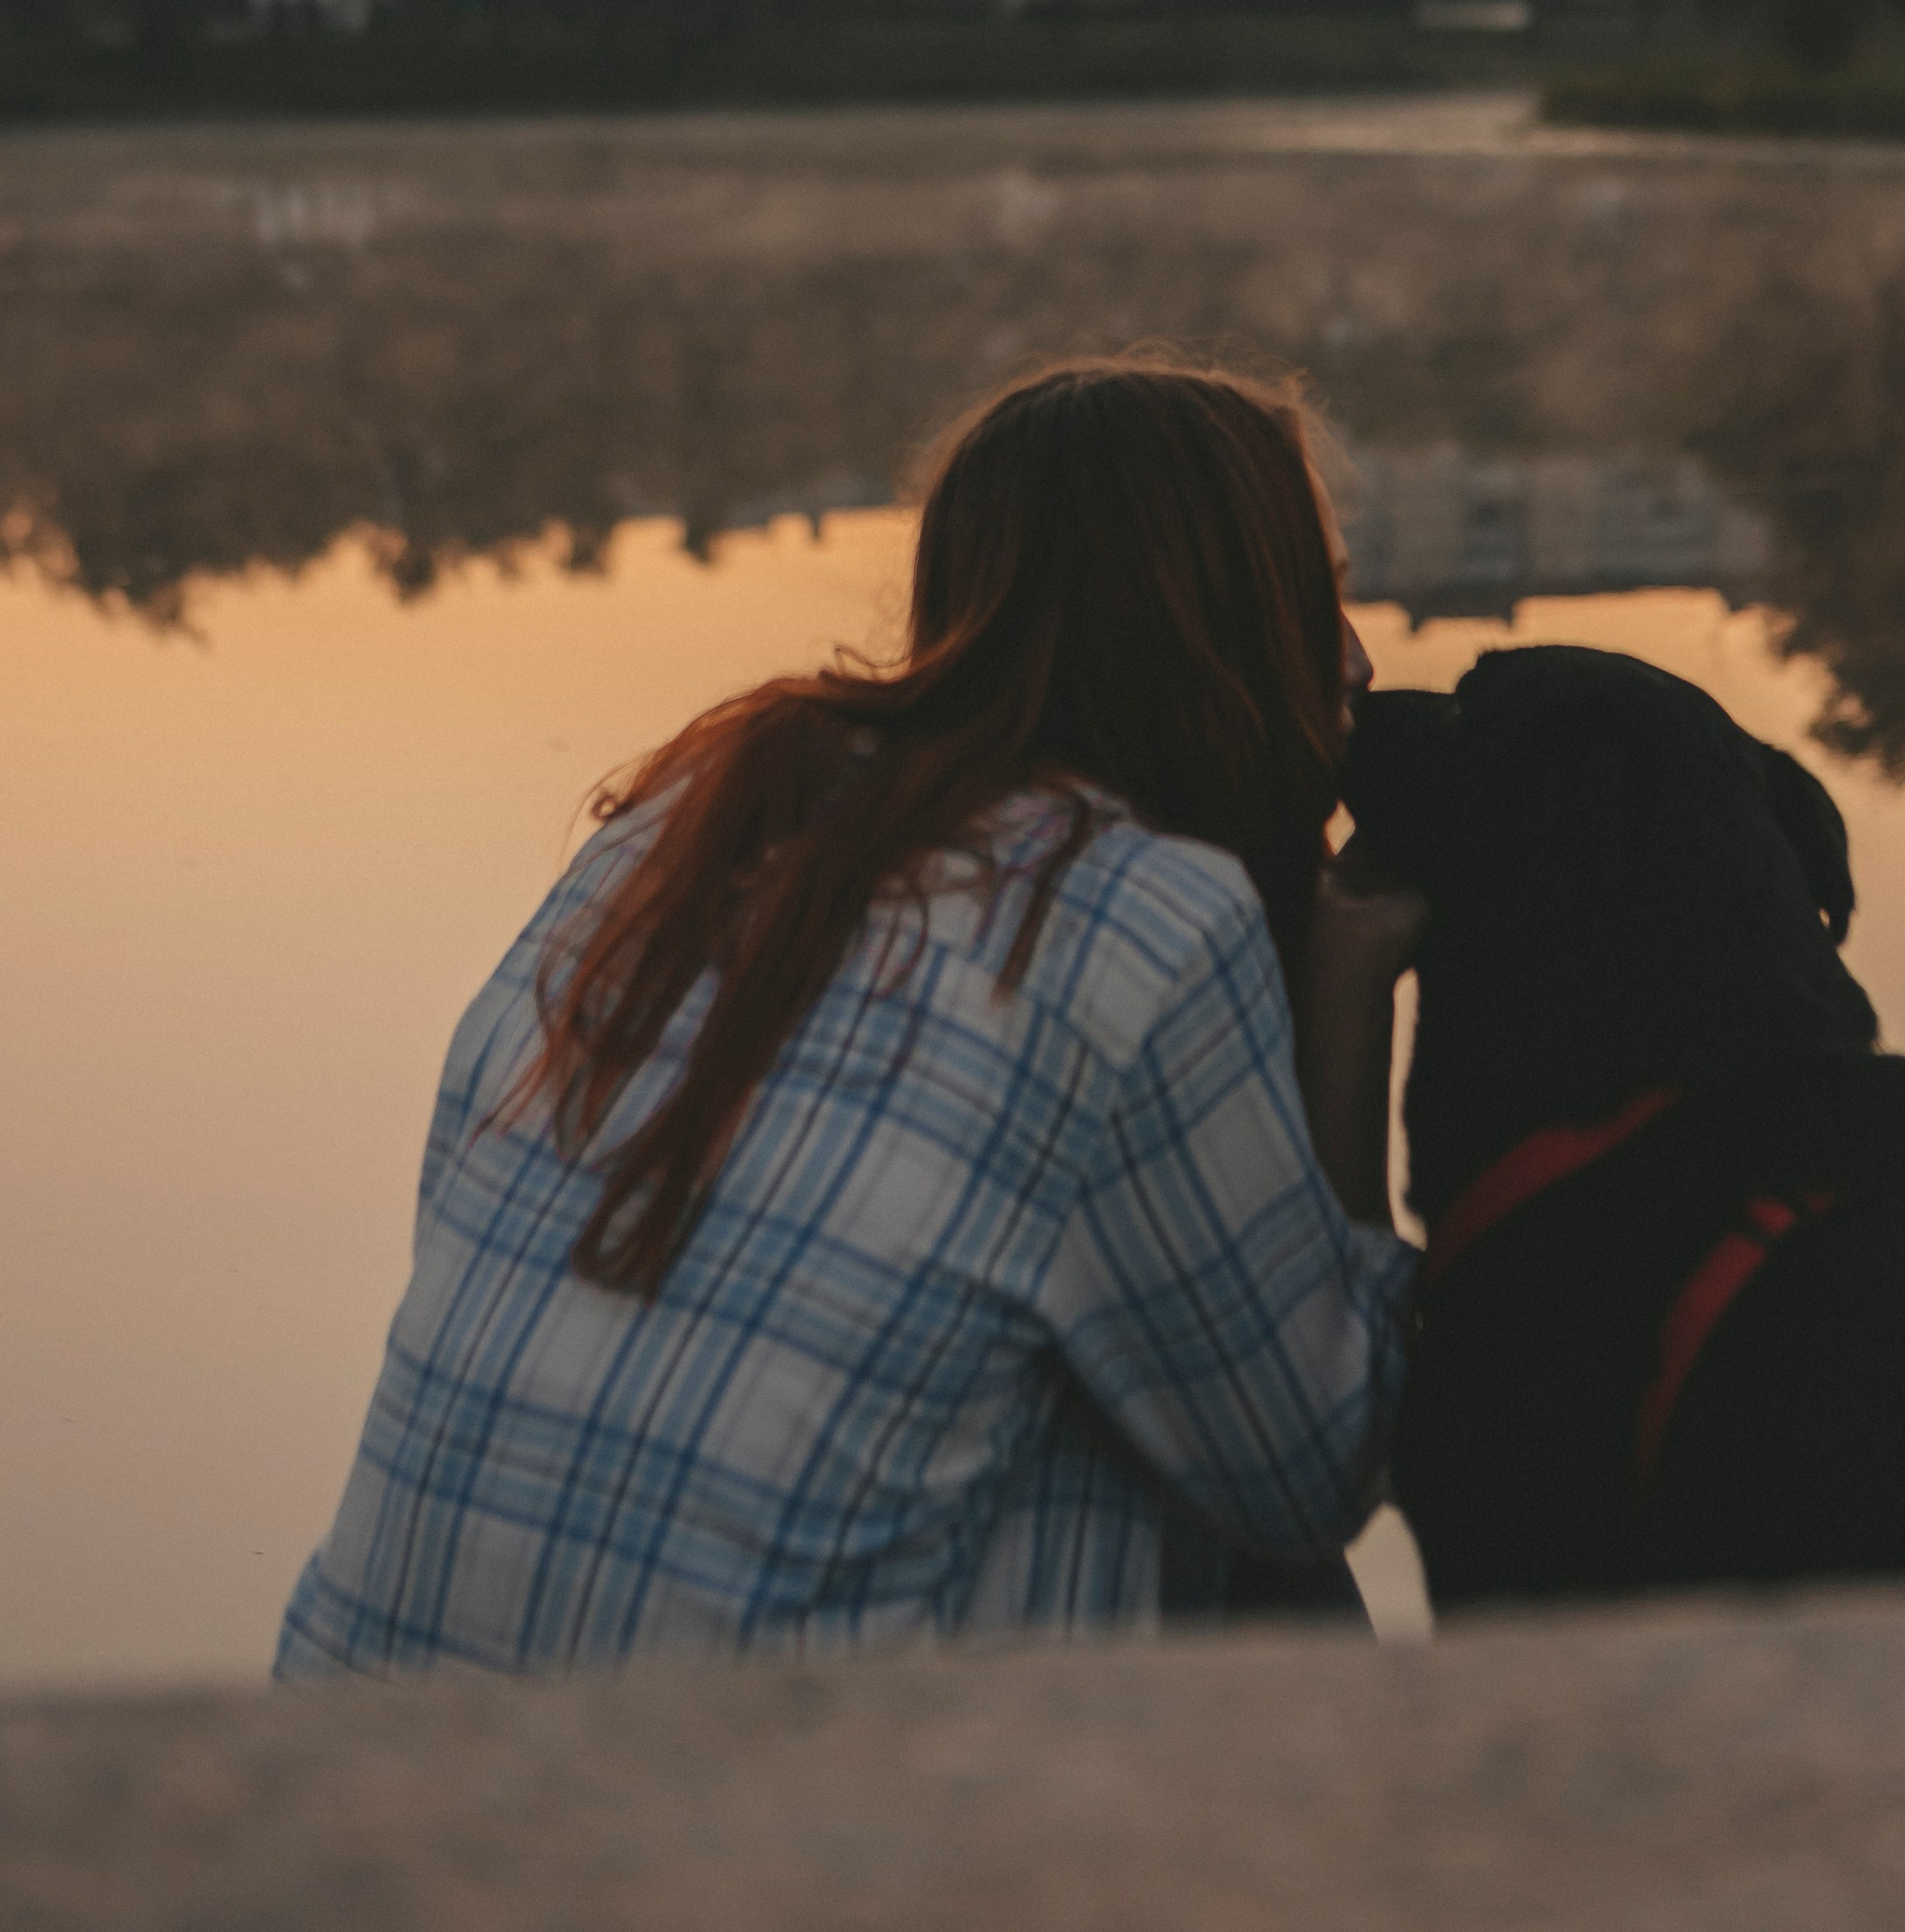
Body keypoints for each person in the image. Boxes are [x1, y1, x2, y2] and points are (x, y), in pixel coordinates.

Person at [278, 356, 1421, 1673]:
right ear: (1232, 626)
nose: (1355, 656)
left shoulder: (687, 825)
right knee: (1229, 1486)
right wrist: (1344, 998)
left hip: (352, 1736)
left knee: (1094, 1328)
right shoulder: (1140, 922)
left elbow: (456, 1202)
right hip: (760, 1827)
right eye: (1316, 595)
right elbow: (1309, 1465)